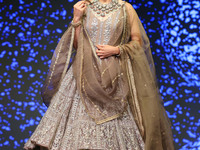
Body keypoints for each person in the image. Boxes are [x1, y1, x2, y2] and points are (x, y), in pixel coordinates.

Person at [24, 0, 175, 149]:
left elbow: (138, 43)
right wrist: (76, 19)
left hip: (115, 77)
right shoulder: (84, 6)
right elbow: (77, 45)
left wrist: (117, 50)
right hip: (83, 76)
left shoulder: (125, 8)